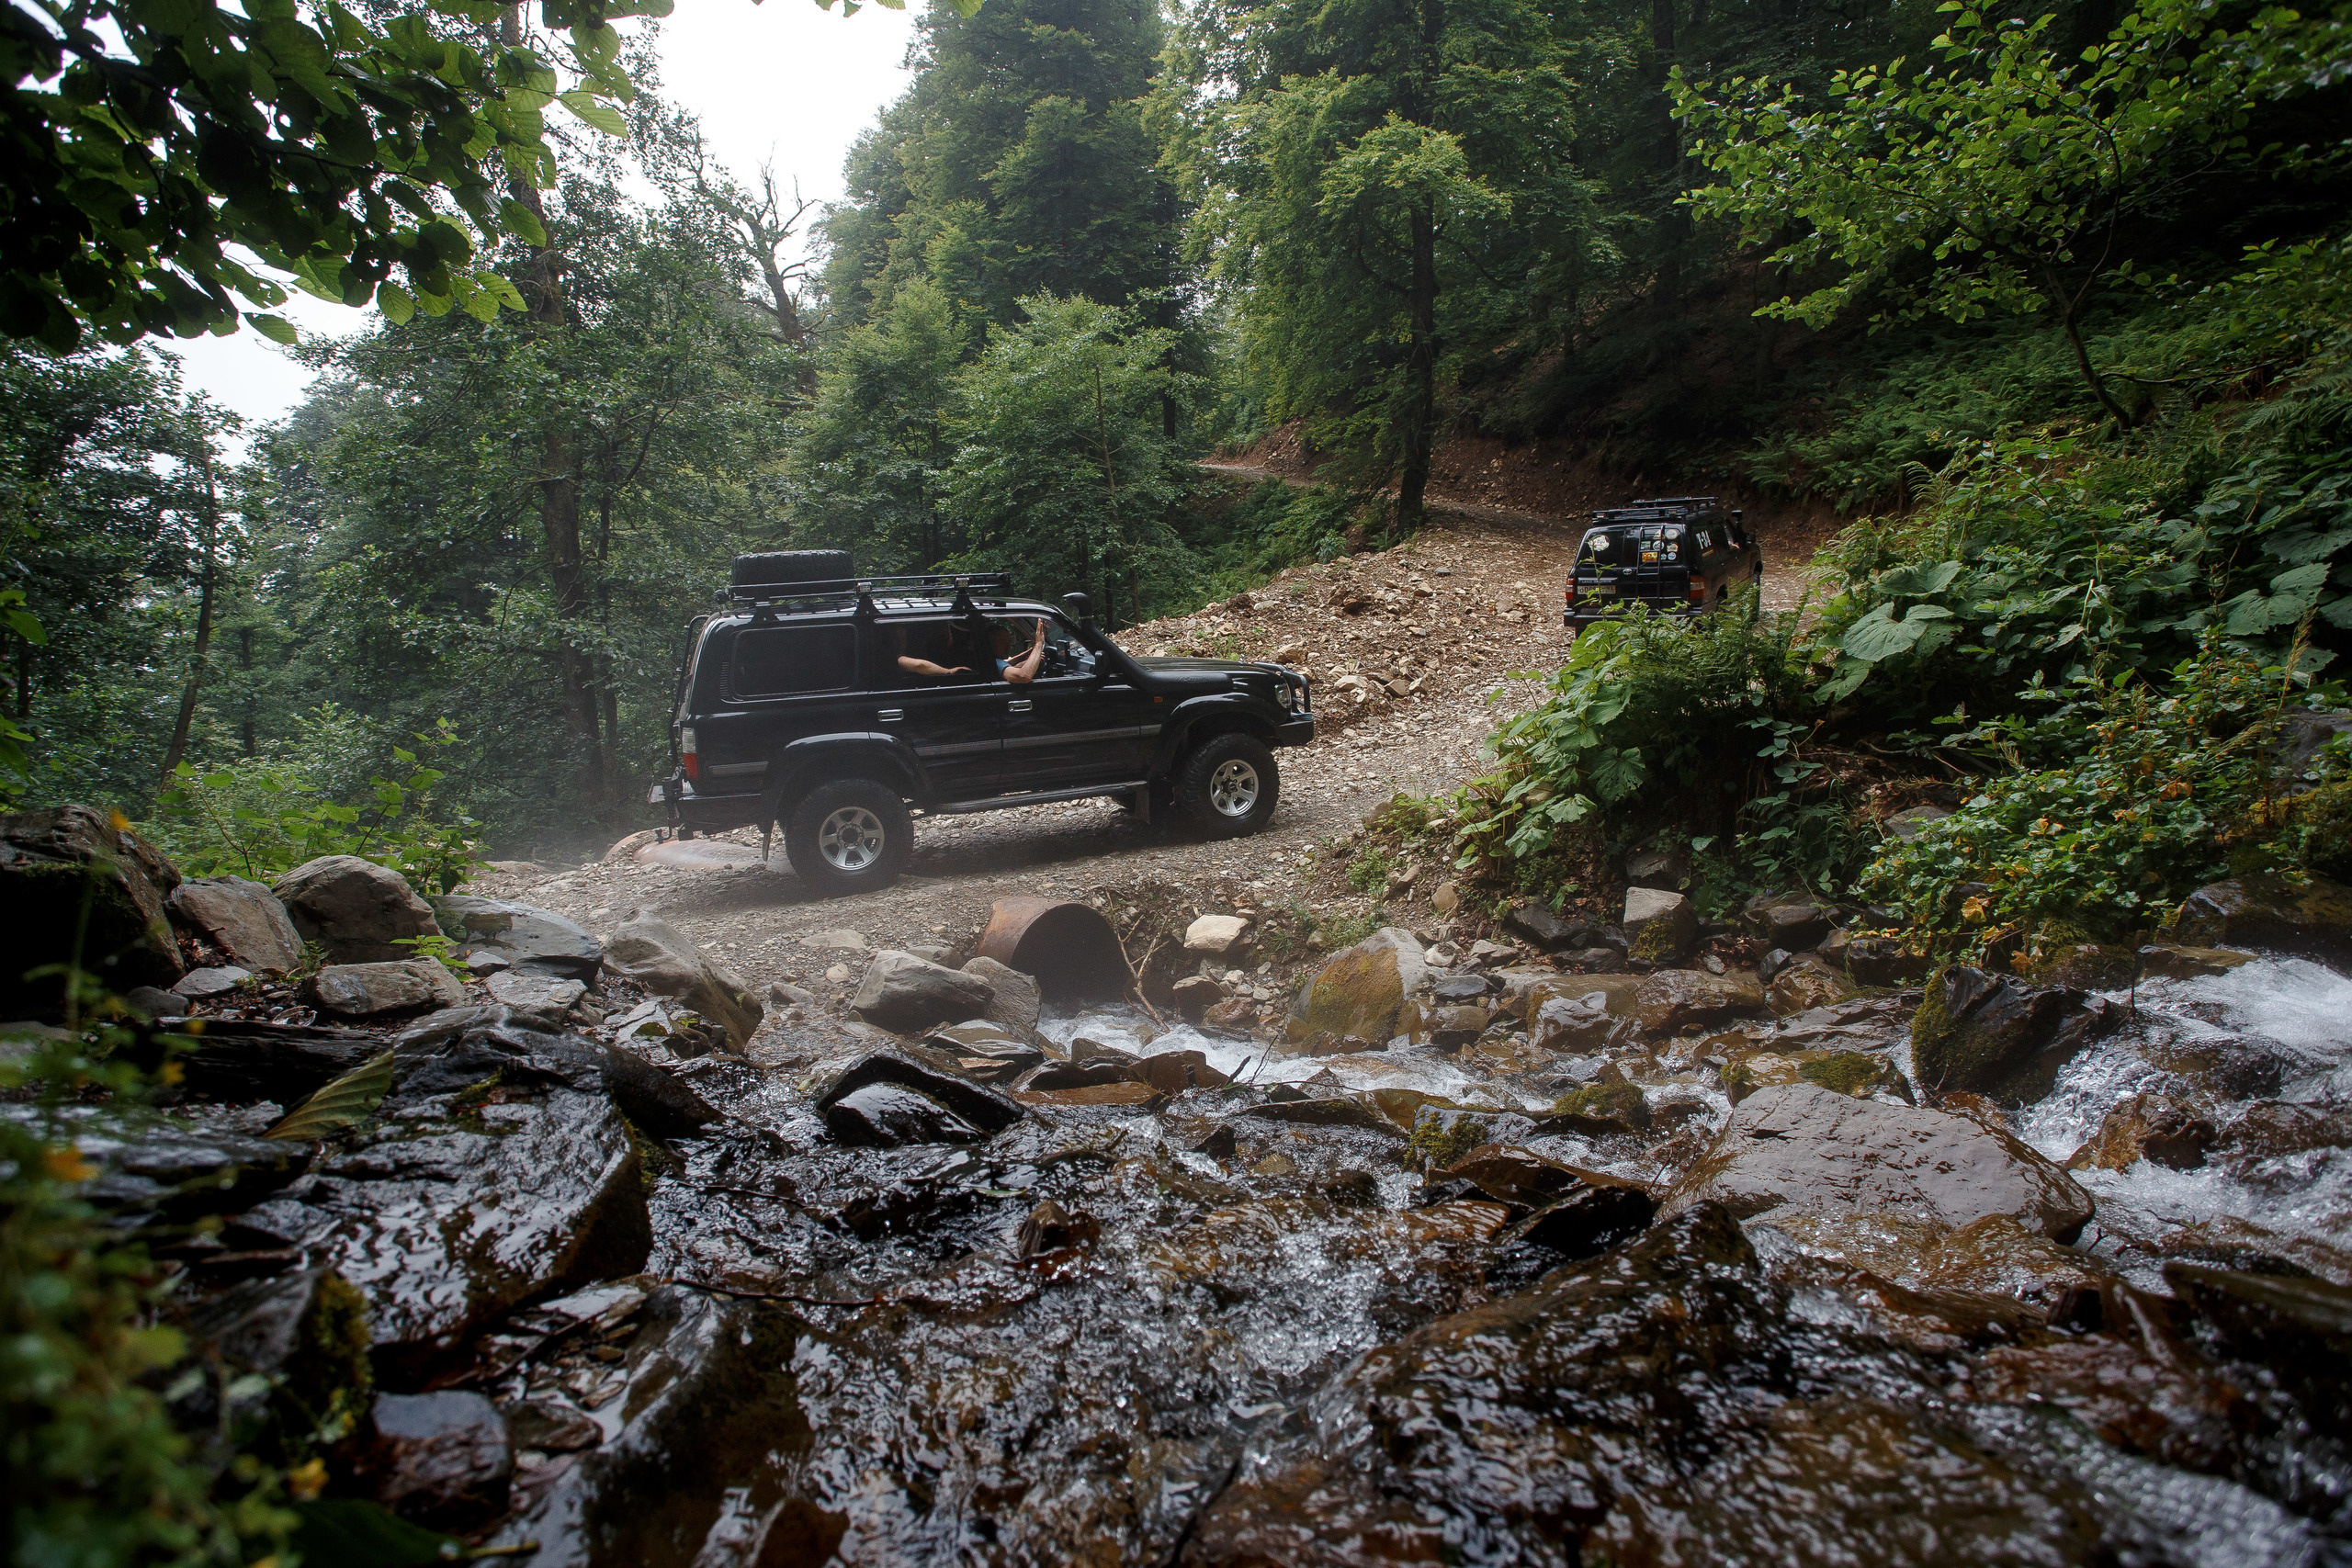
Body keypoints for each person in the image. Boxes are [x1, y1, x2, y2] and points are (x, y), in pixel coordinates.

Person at [889, 624, 973, 679]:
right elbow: (919, 665)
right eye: (896, 638)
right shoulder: (895, 659)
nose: (900, 642)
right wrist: (949, 672)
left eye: (903, 638)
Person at [991, 618, 1047, 684]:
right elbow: (1023, 676)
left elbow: (1007, 663)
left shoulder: (992, 662)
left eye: (1009, 642)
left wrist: (1028, 655)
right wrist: (1039, 643)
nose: (1008, 646)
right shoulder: (996, 662)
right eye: (1003, 642)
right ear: (991, 643)